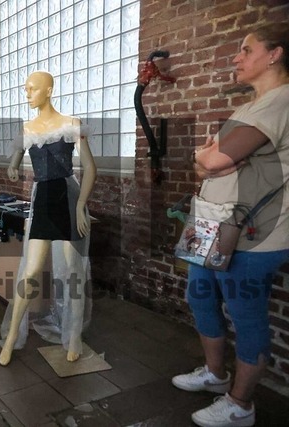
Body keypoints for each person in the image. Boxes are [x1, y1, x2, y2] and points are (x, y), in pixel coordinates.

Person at [171, 23, 289, 427]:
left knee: (245, 314)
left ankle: (241, 405)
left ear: (274, 54)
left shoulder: (281, 101)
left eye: (246, 49)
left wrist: (207, 157)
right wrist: (205, 159)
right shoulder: (250, 107)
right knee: (200, 296)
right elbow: (204, 164)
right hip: (211, 222)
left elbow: (213, 160)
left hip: (254, 233)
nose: (236, 58)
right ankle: (215, 374)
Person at [0, 71, 97, 366]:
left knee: (72, 272)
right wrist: (13, 168)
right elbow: (15, 161)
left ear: (49, 90)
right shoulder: (27, 129)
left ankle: (73, 336)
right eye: (26, 89)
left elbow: (90, 168)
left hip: (67, 198)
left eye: (32, 89)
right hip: (42, 199)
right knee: (30, 272)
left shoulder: (71, 124)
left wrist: (81, 205)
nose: (27, 94)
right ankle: (12, 335)